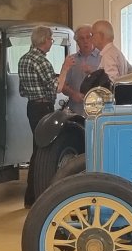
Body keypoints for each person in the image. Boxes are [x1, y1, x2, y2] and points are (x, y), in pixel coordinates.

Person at [19, 27, 59, 205]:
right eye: (51, 39)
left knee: (37, 149)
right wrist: (66, 69)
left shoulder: (24, 59)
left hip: (32, 107)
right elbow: (56, 87)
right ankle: (38, 196)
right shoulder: (41, 61)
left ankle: (31, 196)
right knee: (44, 152)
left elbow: (22, 90)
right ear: (44, 40)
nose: (51, 43)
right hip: (44, 107)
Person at [57, 24, 100, 108]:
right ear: (77, 42)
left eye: (88, 37)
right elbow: (62, 86)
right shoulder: (71, 60)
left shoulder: (103, 57)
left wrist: (93, 73)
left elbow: (109, 84)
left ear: (93, 38)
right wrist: (73, 94)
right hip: (76, 109)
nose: (85, 41)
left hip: (97, 109)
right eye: (82, 38)